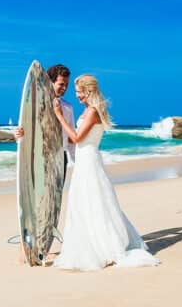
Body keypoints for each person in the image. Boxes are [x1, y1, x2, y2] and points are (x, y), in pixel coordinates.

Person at [52, 74, 160, 271]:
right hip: (83, 160)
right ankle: (91, 243)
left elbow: (76, 138)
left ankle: (103, 247)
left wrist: (59, 116)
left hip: (89, 161)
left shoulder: (92, 111)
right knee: (87, 202)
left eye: (78, 92)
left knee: (94, 201)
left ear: (87, 91)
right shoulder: (88, 110)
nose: (76, 95)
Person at [15, 64, 75, 178]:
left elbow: (71, 136)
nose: (65, 88)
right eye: (61, 84)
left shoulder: (68, 108)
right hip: (40, 156)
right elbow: (28, 131)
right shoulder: (36, 105)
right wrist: (19, 135)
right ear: (50, 82)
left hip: (61, 157)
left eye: (67, 85)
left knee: (57, 195)